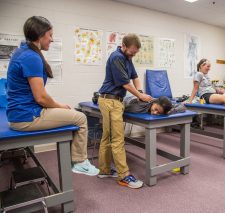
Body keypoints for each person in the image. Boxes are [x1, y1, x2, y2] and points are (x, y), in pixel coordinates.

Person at [6, 16, 99, 176]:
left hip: (20, 113)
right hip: (27, 117)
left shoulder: (23, 50)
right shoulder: (31, 57)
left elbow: (38, 95)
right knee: (81, 118)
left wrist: (57, 105)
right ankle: (80, 162)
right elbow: (40, 97)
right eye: (50, 35)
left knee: (71, 113)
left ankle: (75, 158)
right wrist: (60, 106)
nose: (52, 39)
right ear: (40, 34)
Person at [98, 33, 152, 189]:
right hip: (111, 101)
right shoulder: (117, 57)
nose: (133, 55)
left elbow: (135, 77)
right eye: (132, 52)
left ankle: (105, 170)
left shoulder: (127, 58)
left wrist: (140, 90)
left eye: (135, 53)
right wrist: (140, 95)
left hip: (113, 101)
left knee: (107, 138)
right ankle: (124, 175)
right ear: (124, 46)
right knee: (117, 140)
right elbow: (126, 84)